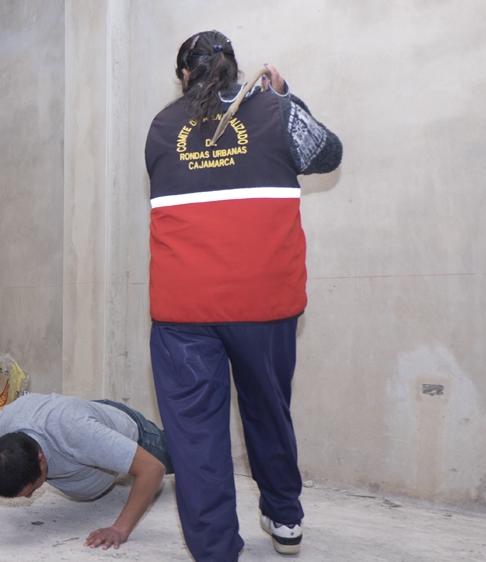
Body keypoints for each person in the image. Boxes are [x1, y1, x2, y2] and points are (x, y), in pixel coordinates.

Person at [143, 30, 342, 561]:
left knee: (195, 436)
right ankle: (285, 518)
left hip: (182, 309)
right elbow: (329, 153)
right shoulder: (274, 109)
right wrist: (287, 94)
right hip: (263, 303)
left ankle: (214, 551)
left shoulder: (161, 128)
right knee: (268, 410)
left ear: (184, 75)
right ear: (234, 67)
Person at [0, 392, 173, 550]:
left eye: (30, 490)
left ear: (41, 459)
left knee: (189, 457)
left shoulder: (79, 432)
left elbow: (153, 469)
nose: (31, 497)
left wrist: (120, 529)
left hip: (135, 434)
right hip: (83, 417)